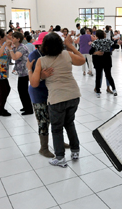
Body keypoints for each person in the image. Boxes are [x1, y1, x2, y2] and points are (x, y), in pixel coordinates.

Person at [28, 33, 86, 167]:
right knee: (70, 123)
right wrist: (71, 46)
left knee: (56, 128)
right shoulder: (66, 54)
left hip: (57, 99)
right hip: (73, 95)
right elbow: (82, 60)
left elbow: (34, 83)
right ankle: (75, 151)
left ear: (44, 46)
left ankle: (60, 157)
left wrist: (29, 70)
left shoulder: (41, 61)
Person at [10, 32, 33, 115]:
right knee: (22, 90)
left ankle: (29, 109)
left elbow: (14, 57)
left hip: (25, 72)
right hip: (21, 72)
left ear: (18, 39)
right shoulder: (16, 47)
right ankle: (26, 106)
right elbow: (11, 55)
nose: (12, 39)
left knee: (23, 90)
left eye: (13, 38)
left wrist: (9, 48)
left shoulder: (22, 48)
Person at [89, 30, 118, 98]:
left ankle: (98, 92)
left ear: (97, 36)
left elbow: (90, 52)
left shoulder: (95, 42)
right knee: (108, 75)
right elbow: (116, 46)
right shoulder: (108, 41)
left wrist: (96, 52)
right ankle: (114, 89)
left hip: (98, 60)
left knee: (98, 76)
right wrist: (110, 49)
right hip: (107, 59)